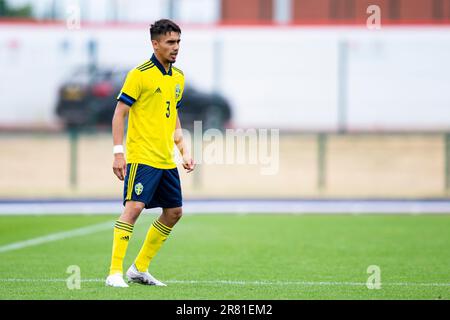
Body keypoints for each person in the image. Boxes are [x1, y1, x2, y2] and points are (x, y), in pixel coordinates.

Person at [105, 19, 195, 288]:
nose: (176, 47)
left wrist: (183, 151)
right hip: (142, 157)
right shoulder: (139, 74)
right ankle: (114, 273)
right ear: (155, 44)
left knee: (174, 212)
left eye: (178, 42)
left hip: (166, 159)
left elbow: (173, 116)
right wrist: (118, 153)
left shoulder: (178, 77)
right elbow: (119, 114)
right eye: (170, 42)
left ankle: (139, 269)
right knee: (133, 209)